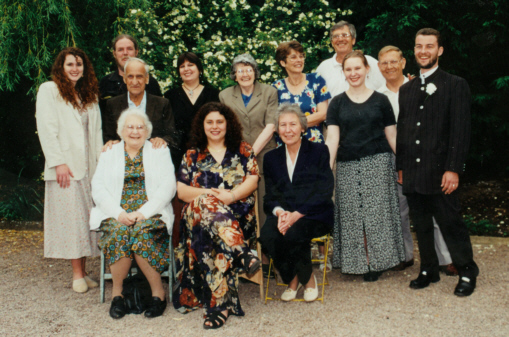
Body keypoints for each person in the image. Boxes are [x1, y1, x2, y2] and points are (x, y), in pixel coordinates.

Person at [397, 28, 478, 296]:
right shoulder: (406, 89)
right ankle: (428, 269)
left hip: (441, 170)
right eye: (419, 46)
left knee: (450, 223)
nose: (423, 51)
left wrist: (453, 168)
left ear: (439, 50)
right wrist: (401, 166)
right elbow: (404, 129)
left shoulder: (455, 84)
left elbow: (460, 131)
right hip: (414, 171)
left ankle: (467, 271)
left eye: (429, 46)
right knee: (420, 224)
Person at [173, 102, 261, 329]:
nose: (214, 126)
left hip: (238, 220)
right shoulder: (192, 155)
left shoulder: (243, 150)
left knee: (210, 234)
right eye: (209, 122)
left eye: (219, 122)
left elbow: (253, 180)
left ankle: (219, 307)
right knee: (204, 205)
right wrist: (210, 197)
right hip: (199, 217)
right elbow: (182, 191)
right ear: (202, 126)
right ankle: (241, 252)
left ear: (227, 123)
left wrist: (230, 197)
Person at [377, 45, 457, 274]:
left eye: (394, 61)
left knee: (433, 208)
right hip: (391, 160)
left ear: (403, 62)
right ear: (379, 67)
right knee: (399, 209)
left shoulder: (420, 86)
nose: (390, 66)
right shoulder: (377, 95)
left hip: (424, 159)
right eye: (384, 63)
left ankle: (445, 258)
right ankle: (405, 254)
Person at [325, 50, 405, 281]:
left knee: (377, 214)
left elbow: (392, 136)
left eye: (357, 68)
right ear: (343, 72)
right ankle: (357, 262)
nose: (353, 73)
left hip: (378, 164)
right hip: (348, 166)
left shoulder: (381, 100)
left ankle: (377, 261)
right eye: (348, 69)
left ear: (367, 69)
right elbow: (332, 140)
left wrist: (405, 164)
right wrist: (327, 171)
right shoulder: (337, 103)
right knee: (351, 216)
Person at [90, 108, 176, 319]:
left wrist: (143, 212)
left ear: (147, 131)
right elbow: (98, 187)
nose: (135, 131)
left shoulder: (159, 150)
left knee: (141, 231)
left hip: (151, 213)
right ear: (121, 131)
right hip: (115, 213)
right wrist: (119, 213)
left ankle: (158, 294)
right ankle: (117, 295)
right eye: (130, 127)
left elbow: (168, 186)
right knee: (119, 231)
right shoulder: (109, 152)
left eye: (140, 127)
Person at [35, 47, 102, 293]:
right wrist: (57, 162)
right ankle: (76, 275)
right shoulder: (49, 90)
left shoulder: (88, 94)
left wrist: (100, 167)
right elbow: (46, 128)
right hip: (66, 168)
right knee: (72, 221)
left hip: (88, 168)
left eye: (79, 64)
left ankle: (83, 272)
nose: (75, 69)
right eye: (70, 64)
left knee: (85, 219)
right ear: (61, 67)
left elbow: (96, 133)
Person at [259, 103, 334, 302]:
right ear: (277, 130)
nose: (288, 129)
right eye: (282, 125)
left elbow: (324, 192)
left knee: (293, 232)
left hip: (314, 214)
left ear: (302, 127)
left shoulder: (319, 151)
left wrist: (297, 214)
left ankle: (306, 281)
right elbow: (269, 198)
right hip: (284, 215)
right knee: (267, 235)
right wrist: (280, 213)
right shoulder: (271, 158)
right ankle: (296, 277)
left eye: (293, 124)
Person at [219, 53, 278, 275]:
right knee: (239, 208)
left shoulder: (269, 92)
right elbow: (226, 127)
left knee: (263, 207)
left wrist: (250, 154)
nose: (245, 73)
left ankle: (265, 259)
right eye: (240, 70)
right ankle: (242, 258)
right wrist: (240, 155)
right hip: (235, 158)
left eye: (248, 68)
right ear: (234, 74)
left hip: (264, 155)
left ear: (255, 71)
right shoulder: (225, 95)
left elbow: (271, 125)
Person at [102, 57, 176, 155]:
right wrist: (111, 142)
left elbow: (172, 136)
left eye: (139, 76)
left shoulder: (162, 104)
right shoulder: (112, 104)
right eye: (130, 76)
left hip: (153, 159)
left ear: (147, 78)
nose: (135, 81)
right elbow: (108, 137)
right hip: (123, 161)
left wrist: (162, 140)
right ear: (124, 78)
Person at [164, 52, 220, 168]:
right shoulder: (170, 96)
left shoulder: (214, 94)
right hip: (178, 156)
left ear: (200, 69)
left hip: (209, 153)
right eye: (182, 66)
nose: (186, 69)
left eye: (190, 65)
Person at [99, 34, 162, 137]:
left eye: (129, 49)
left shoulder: (151, 83)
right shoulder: (105, 83)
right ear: (114, 54)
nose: (125, 53)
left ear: (136, 52)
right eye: (120, 50)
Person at [273, 40, 331, 145]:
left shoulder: (316, 80)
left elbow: (323, 114)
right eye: (293, 57)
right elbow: (274, 120)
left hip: (313, 144)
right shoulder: (276, 87)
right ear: (282, 62)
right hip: (286, 145)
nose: (299, 60)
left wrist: (292, 126)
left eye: (301, 56)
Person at [316, 21, 385, 99]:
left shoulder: (370, 62)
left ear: (353, 40)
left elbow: (386, 87)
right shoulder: (323, 68)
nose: (340, 39)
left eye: (345, 35)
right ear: (332, 43)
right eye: (336, 36)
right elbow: (316, 98)